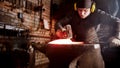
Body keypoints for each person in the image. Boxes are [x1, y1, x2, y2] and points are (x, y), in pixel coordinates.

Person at [54, 0, 120, 68]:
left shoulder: (98, 14)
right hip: (78, 47)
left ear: (91, 9)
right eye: (80, 10)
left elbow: (117, 21)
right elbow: (58, 23)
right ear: (76, 8)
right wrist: (61, 30)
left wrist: (117, 37)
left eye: (85, 11)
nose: (82, 13)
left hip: (93, 48)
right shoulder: (73, 14)